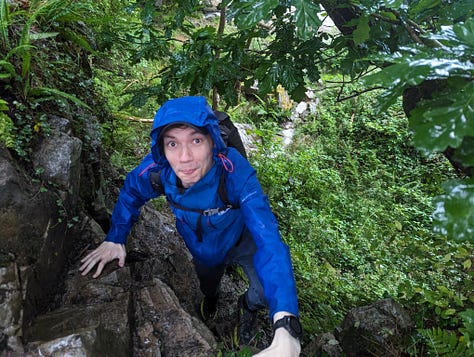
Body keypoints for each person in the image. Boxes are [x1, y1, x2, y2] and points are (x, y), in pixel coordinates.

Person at [80, 96, 302, 356]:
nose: (184, 158)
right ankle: (211, 299)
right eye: (172, 143)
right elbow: (131, 192)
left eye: (196, 141)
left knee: (264, 292)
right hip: (202, 248)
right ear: (162, 149)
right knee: (208, 285)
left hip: (243, 241)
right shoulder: (157, 172)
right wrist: (115, 238)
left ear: (212, 142)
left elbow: (270, 242)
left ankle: (248, 307)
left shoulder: (235, 173)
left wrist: (287, 327)